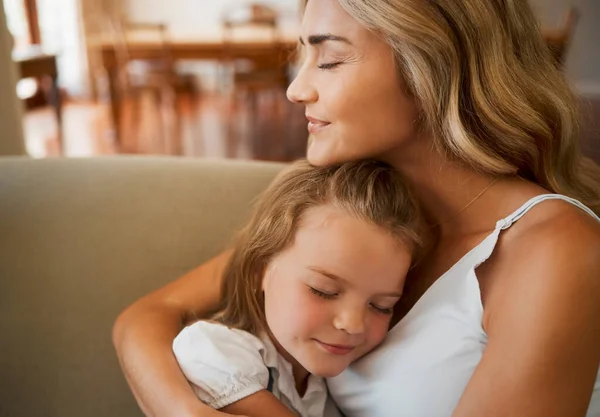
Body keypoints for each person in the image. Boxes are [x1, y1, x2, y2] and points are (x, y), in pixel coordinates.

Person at [113, 0, 600, 416]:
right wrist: (189, 410)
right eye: (303, 56)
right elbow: (148, 317)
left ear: (429, 64)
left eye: (329, 60)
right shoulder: (343, 205)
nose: (296, 89)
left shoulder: (553, 249)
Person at [172, 159, 422, 417]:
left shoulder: (324, 391)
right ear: (261, 269)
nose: (353, 324)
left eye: (381, 306)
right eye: (324, 290)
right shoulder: (212, 350)